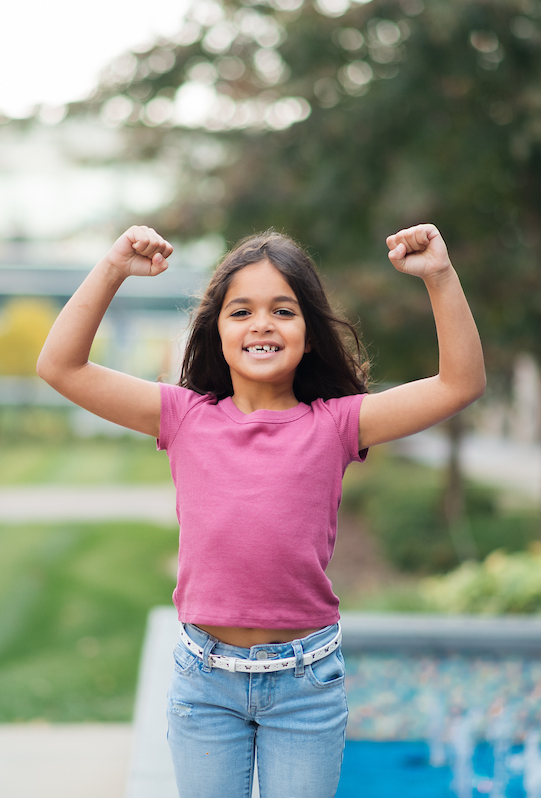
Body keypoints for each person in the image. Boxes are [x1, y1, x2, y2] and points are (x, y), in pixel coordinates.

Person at [36, 224, 484, 798]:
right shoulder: (184, 416)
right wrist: (113, 268)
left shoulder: (339, 423)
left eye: (283, 310)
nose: (262, 324)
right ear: (217, 332)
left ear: (310, 333)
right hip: (205, 685)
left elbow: (461, 383)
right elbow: (61, 367)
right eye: (240, 311)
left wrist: (440, 277)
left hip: (306, 686)